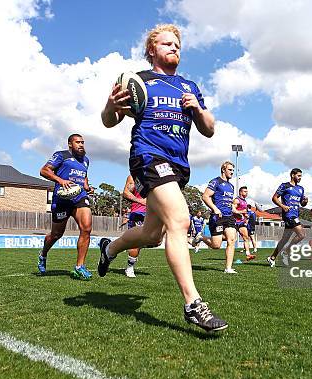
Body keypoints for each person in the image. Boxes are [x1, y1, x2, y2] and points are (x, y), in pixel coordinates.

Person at [98, 24, 227, 332]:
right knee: (180, 222)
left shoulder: (189, 87)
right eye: (167, 44)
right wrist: (110, 106)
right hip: (148, 157)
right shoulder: (138, 82)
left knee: (153, 235)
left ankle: (109, 249)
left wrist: (197, 108)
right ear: (152, 50)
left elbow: (209, 129)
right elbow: (108, 121)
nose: (174, 48)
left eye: (177, 45)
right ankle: (193, 304)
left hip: (178, 166)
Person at [38, 134, 94, 280]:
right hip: (62, 199)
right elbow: (44, 170)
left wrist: (87, 187)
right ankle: (43, 254)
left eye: (82, 142)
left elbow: (84, 176)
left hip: (79, 197)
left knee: (86, 228)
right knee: (56, 235)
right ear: (70, 144)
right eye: (78, 142)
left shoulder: (86, 160)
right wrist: (60, 180)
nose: (81, 145)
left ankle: (79, 267)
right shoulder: (61, 155)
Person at [194, 162, 238, 273]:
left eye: (233, 170)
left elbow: (229, 203)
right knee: (216, 245)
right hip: (217, 217)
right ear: (223, 170)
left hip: (229, 217)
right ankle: (201, 237)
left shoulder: (231, 186)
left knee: (231, 240)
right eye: (230, 170)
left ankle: (228, 268)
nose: (232, 172)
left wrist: (236, 212)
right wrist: (215, 209)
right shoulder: (216, 181)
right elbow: (205, 196)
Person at [266, 168, 308, 267]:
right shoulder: (284, 186)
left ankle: (272, 258)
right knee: (302, 234)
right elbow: (274, 198)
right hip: (289, 215)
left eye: (301, 176)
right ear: (292, 175)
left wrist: (305, 201)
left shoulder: (301, 188)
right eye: (298, 175)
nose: (300, 178)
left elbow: (302, 203)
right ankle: (286, 251)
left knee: (285, 239)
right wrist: (283, 206)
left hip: (296, 214)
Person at [123, 175, 147, 277]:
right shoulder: (134, 177)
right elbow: (126, 193)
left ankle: (109, 249)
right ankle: (130, 267)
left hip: (153, 214)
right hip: (139, 213)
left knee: (156, 241)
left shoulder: (157, 174)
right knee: (136, 243)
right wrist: (140, 201)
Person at [233, 186, 256, 261]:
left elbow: (244, 212)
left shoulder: (245, 201)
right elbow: (233, 210)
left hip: (241, 222)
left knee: (246, 237)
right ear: (240, 192)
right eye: (245, 191)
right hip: (233, 222)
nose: (246, 193)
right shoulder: (237, 200)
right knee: (231, 239)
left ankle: (248, 254)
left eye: (247, 191)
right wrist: (242, 212)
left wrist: (246, 216)